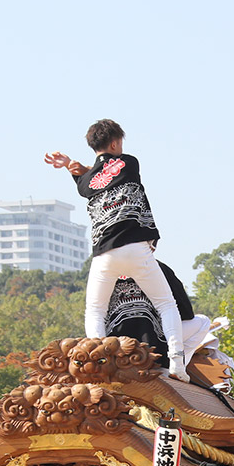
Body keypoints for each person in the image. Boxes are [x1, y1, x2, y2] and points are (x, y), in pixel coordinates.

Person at [45, 119, 189, 382]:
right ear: (115, 143)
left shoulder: (85, 184)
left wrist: (69, 165)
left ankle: (97, 365)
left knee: (95, 311)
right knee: (167, 304)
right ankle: (178, 363)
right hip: (136, 248)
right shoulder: (130, 162)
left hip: (105, 254)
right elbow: (111, 171)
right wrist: (73, 165)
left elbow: (93, 177)